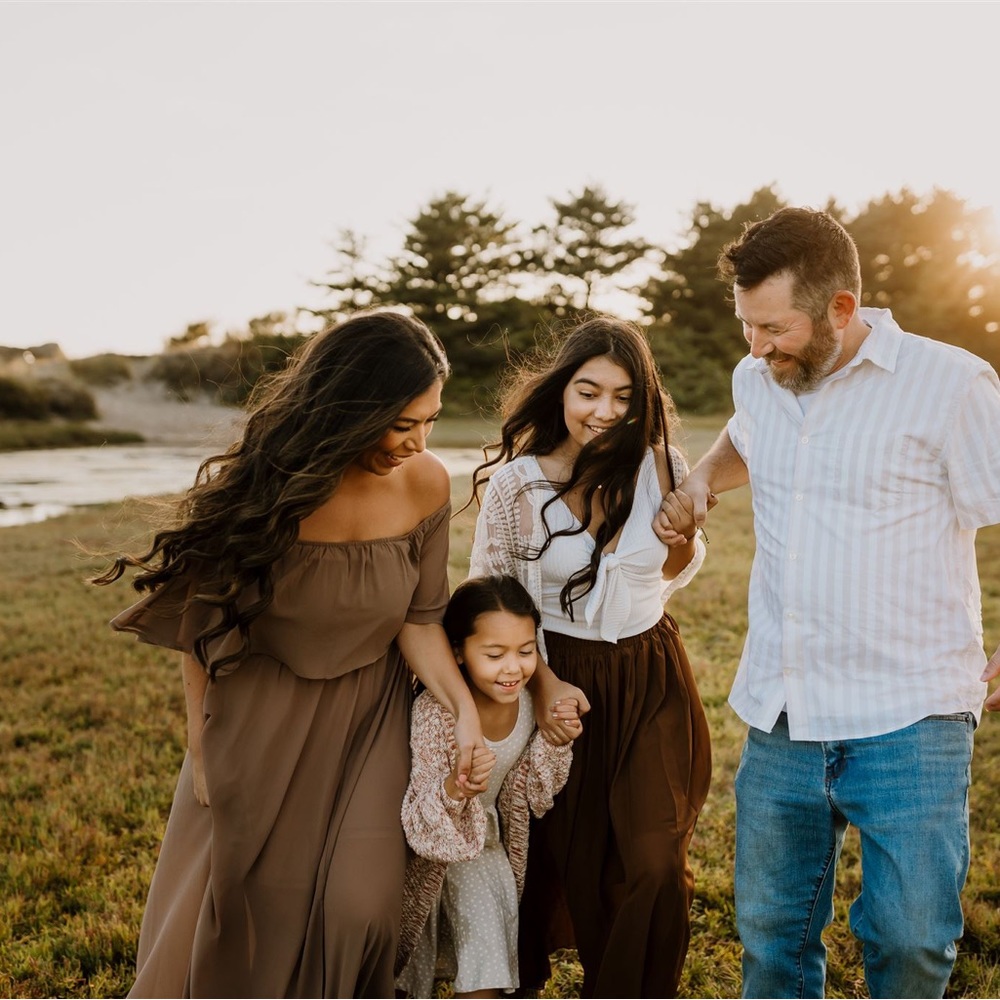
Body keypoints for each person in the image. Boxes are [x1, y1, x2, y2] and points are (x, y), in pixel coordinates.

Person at [655, 206, 1000, 999]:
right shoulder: (761, 377)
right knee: (773, 940)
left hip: (910, 712)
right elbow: (746, 436)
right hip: (783, 711)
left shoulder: (950, 385)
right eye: (746, 325)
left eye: (773, 327)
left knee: (911, 942)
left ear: (841, 309)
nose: (755, 347)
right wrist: (703, 479)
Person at [93, 310, 489, 998]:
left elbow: (420, 622)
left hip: (371, 716)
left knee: (359, 911)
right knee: (248, 911)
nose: (419, 441)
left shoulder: (427, 482)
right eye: (402, 423)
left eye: (430, 420)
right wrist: (202, 743)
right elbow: (202, 630)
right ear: (348, 409)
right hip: (258, 714)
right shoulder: (265, 487)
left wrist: (463, 712)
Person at [467, 316, 712, 998]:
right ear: (561, 392)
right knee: (549, 856)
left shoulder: (662, 465)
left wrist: (684, 537)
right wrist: (543, 685)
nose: (605, 412)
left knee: (655, 856)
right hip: (551, 670)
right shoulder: (518, 485)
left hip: (650, 673)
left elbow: (674, 571)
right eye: (588, 391)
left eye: (624, 396)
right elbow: (498, 595)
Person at [394, 575, 575, 998]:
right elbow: (419, 812)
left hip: (485, 850)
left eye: (526, 651)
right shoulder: (435, 713)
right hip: (429, 860)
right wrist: (455, 790)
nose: (513, 668)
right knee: (407, 973)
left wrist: (555, 740)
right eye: (494, 654)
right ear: (457, 653)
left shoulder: (530, 705)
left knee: (486, 963)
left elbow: (531, 793)